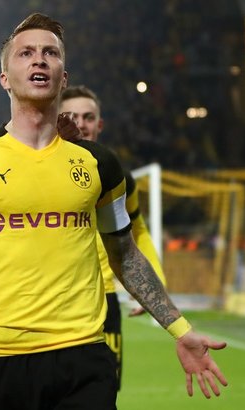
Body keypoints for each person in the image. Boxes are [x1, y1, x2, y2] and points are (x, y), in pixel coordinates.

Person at [0, 12, 228, 409]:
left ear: (62, 78)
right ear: (4, 79)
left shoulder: (100, 164)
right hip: (0, 359)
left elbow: (124, 254)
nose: (39, 59)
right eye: (26, 53)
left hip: (84, 358)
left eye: (50, 53)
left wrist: (179, 328)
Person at [60, 84, 168, 390]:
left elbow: (138, 230)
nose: (81, 124)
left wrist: (154, 281)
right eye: (72, 116)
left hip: (104, 300)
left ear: (100, 124)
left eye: (88, 117)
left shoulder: (117, 176)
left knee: (101, 395)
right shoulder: (37, 169)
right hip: (53, 298)